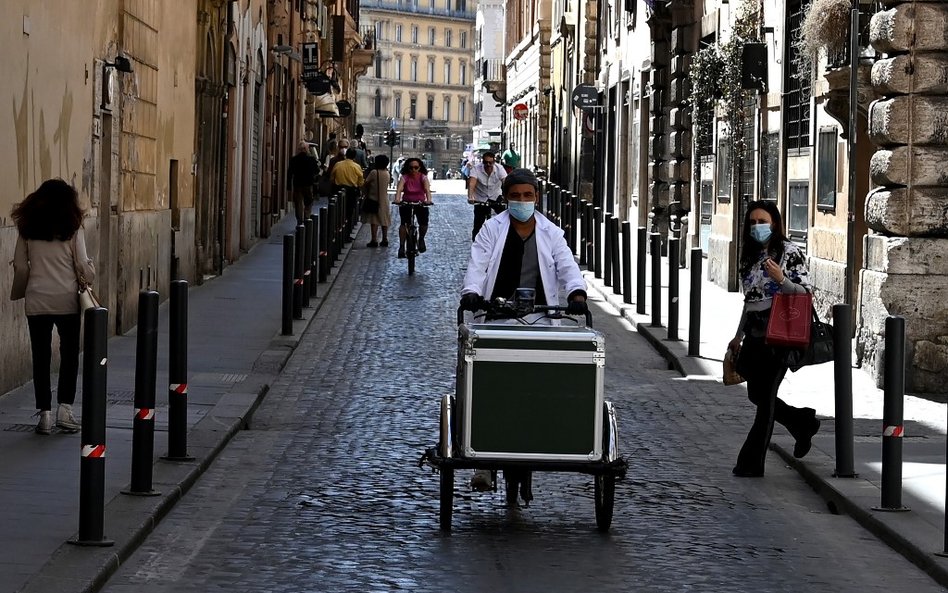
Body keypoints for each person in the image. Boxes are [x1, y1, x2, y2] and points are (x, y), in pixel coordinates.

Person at [459, 168, 588, 497]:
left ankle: (533, 443)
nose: (521, 201)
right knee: (488, 386)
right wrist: (471, 292)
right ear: (506, 197)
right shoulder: (492, 228)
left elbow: (566, 265)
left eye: (527, 196)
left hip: (542, 319)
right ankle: (483, 462)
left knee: (539, 386)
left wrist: (576, 293)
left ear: (537, 198)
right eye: (515, 196)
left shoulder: (551, 232)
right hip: (498, 317)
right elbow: (478, 263)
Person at [728, 200, 821, 477]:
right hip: (755, 333)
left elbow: (804, 293)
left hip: (779, 333)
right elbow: (750, 300)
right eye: (753, 222)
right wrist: (738, 335)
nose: (758, 227)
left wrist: (782, 279)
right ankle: (802, 422)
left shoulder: (790, 252)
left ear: (775, 223)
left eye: (763, 221)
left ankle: (750, 463)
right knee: (756, 395)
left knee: (766, 399)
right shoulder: (750, 256)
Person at [10, 179, 94, 435]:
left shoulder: (27, 227)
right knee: (69, 354)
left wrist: (23, 289)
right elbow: (81, 265)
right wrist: (90, 274)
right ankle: (64, 410)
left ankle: (44, 414)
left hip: (37, 299)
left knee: (41, 356)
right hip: (67, 299)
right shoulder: (73, 228)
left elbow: (21, 266)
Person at [393, 157, 433, 258]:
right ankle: (402, 246)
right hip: (406, 202)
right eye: (411, 168)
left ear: (419, 168)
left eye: (416, 167)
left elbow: (427, 189)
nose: (413, 170)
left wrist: (428, 200)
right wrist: (397, 199)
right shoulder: (404, 177)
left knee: (423, 223)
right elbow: (399, 189)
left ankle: (421, 239)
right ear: (408, 168)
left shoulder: (423, 177)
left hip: (420, 203)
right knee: (404, 223)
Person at [466, 151, 507, 241]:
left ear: (494, 162)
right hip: (480, 198)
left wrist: (508, 197)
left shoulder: (499, 169)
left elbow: (506, 182)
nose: (488, 165)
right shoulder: (476, 169)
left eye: (490, 163)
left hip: (496, 196)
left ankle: (504, 239)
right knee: (478, 223)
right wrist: (470, 196)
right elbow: (472, 183)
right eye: (485, 162)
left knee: (505, 219)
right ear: (482, 162)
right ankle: (476, 242)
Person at [362, 154, 392, 248]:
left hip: (374, 198)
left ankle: (374, 240)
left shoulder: (374, 172)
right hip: (384, 199)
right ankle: (385, 239)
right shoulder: (387, 173)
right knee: (384, 219)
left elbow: (366, 183)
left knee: (374, 220)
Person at [287, 141, 320, 225]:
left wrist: (289, 186)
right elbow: (317, 171)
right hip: (308, 184)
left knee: (298, 203)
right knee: (308, 201)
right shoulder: (311, 159)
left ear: (299, 149)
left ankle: (299, 220)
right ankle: (306, 216)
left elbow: (290, 173)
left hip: (297, 184)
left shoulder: (294, 159)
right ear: (306, 149)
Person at [330, 148, 365, 226]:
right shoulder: (356, 166)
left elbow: (332, 178)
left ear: (346, 155)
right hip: (351, 191)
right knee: (349, 212)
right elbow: (360, 181)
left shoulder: (338, 164)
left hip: (338, 189)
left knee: (337, 210)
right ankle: (347, 230)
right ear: (354, 156)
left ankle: (337, 226)